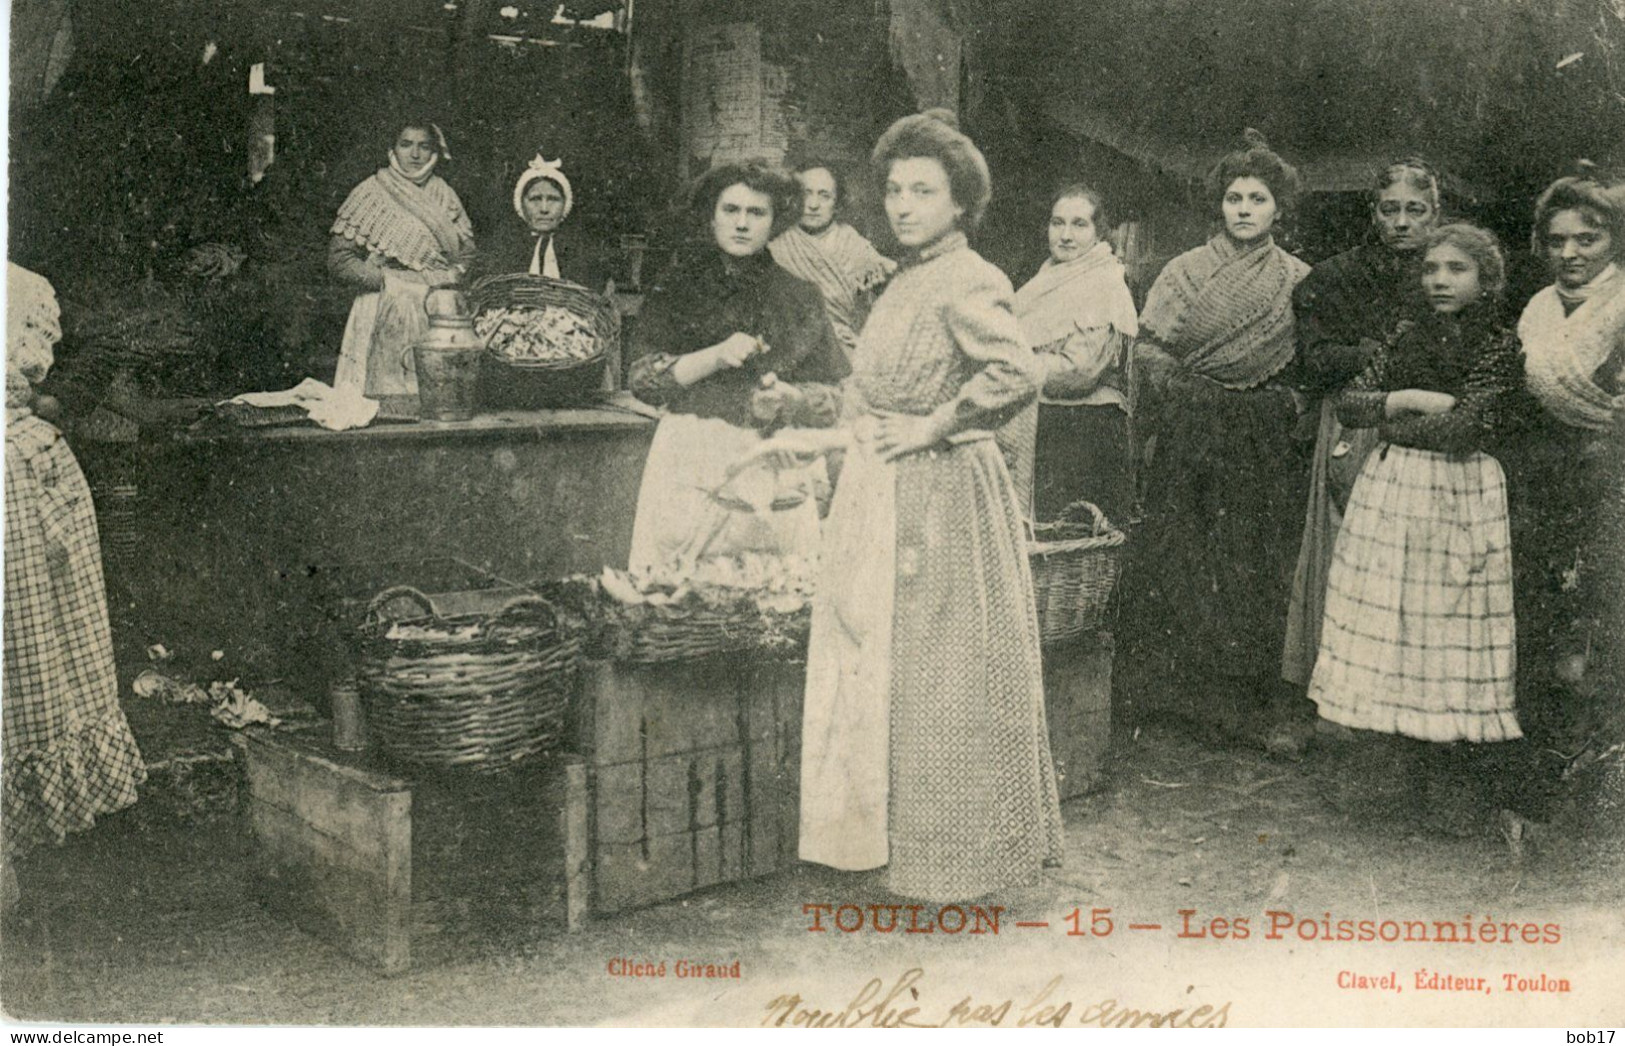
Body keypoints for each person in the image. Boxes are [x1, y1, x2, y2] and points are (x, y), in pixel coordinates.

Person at [744, 110, 1063, 901]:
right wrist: (802, 404)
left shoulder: (971, 277)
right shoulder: (898, 281)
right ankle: (884, 847)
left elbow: (1015, 374)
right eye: (892, 189)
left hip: (943, 497)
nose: (902, 204)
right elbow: (866, 392)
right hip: (881, 493)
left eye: (924, 190)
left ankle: (957, 858)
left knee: (939, 673)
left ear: (961, 205)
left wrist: (934, 424)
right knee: (882, 669)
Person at [1309, 224, 1524, 831]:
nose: (1440, 280)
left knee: (1449, 627)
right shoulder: (1406, 335)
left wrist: (1393, 415)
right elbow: (1351, 402)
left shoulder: (1498, 346)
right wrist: (1413, 399)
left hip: (1461, 494)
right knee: (1394, 624)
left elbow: (1469, 428)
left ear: (1486, 280)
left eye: (1457, 270)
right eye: (1432, 269)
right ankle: (1395, 787)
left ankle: (1452, 791)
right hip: (1394, 490)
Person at [1119, 130, 1312, 745]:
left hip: (1259, 436)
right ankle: (1173, 696)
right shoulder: (1184, 271)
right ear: (1219, 206)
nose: (1245, 209)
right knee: (1180, 551)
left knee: (1250, 559)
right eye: (1234, 198)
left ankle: (1246, 703)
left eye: (1258, 198)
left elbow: (1310, 364)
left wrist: (1282, 404)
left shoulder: (1299, 280)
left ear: (1279, 208)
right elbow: (1149, 347)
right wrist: (1182, 391)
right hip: (1191, 427)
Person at [625, 162, 849, 576]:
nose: (742, 224)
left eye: (756, 213)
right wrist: (714, 356)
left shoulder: (800, 297)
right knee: (678, 592)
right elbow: (642, 379)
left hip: (772, 461)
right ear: (712, 216)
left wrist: (791, 399)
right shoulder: (677, 288)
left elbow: (834, 400)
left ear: (776, 221)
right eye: (730, 210)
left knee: (774, 591)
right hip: (690, 453)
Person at [4, 263, 147, 910]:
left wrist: (54, 400)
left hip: (19, 483)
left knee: (28, 660)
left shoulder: (23, 288)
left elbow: (104, 336)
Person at [1282, 159, 1443, 697]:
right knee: (1345, 552)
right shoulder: (1335, 276)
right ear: (1373, 214)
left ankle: (1407, 691)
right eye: (1389, 209)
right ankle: (1340, 686)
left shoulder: (1447, 272)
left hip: (1427, 430)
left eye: (1414, 211)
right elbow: (1313, 357)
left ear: (1434, 214)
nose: (1401, 222)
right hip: (1352, 422)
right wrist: (1368, 354)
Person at [1507, 164, 1625, 822]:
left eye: (1589, 238)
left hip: (1610, 482)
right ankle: (1545, 777)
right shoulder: (1536, 309)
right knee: (1542, 624)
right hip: (1543, 484)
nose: (1570, 254)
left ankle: (1596, 788)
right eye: (1556, 240)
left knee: (1598, 630)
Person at [1014, 183, 1139, 523]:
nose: (1066, 235)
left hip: (1083, 430)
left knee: (1075, 538)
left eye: (1079, 224)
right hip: (1042, 421)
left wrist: (1012, 364)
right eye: (1058, 223)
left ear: (1099, 233)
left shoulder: (1103, 282)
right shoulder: (1046, 280)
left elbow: (1080, 370)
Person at [329, 118, 476, 397]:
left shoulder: (445, 194)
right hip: (383, 304)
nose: (415, 154)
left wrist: (451, 277)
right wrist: (392, 283)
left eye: (423, 146)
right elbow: (339, 260)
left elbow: (467, 252)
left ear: (435, 151)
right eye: (406, 145)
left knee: (437, 399)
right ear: (392, 149)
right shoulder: (369, 192)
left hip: (437, 307)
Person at [767, 160, 896, 360]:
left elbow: (891, 299)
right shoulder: (776, 244)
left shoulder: (855, 246)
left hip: (841, 347)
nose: (813, 205)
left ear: (836, 203)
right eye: (805, 194)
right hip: (786, 346)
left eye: (824, 196)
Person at [476, 153, 612, 292]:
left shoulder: (583, 254)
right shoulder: (503, 250)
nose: (544, 209)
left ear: (566, 204)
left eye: (553, 199)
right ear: (521, 204)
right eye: (535, 199)